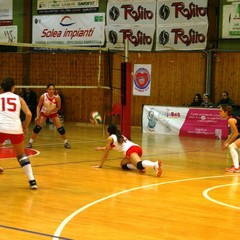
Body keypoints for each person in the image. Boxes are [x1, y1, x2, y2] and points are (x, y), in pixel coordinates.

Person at [0, 77, 37, 189]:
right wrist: (24, 127)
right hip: (16, 129)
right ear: (13, 88)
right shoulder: (19, 99)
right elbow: (29, 115)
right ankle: (32, 181)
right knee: (21, 155)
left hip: (1, 128)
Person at [94, 124, 162, 177]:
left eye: (106, 130)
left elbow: (106, 154)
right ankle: (141, 168)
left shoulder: (110, 138)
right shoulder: (118, 136)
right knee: (123, 165)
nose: (106, 131)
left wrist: (100, 165)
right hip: (136, 148)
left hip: (130, 150)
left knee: (139, 164)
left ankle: (154, 164)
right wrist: (100, 148)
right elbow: (109, 148)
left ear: (109, 131)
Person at [26, 83, 71, 149]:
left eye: (53, 89)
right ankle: (30, 142)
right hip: (44, 112)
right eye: (50, 89)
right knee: (37, 128)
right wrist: (38, 116)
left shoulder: (57, 97)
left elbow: (58, 107)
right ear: (47, 90)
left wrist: (51, 111)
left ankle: (66, 142)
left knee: (61, 129)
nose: (51, 90)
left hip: (53, 113)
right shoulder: (43, 96)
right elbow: (38, 106)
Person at [219, 104, 240, 172]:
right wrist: (226, 142)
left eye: (220, 111)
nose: (219, 113)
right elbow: (234, 133)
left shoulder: (230, 120)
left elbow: (236, 134)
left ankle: (236, 168)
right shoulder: (232, 118)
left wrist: (228, 143)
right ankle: (237, 165)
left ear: (226, 112)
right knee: (236, 147)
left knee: (232, 146)